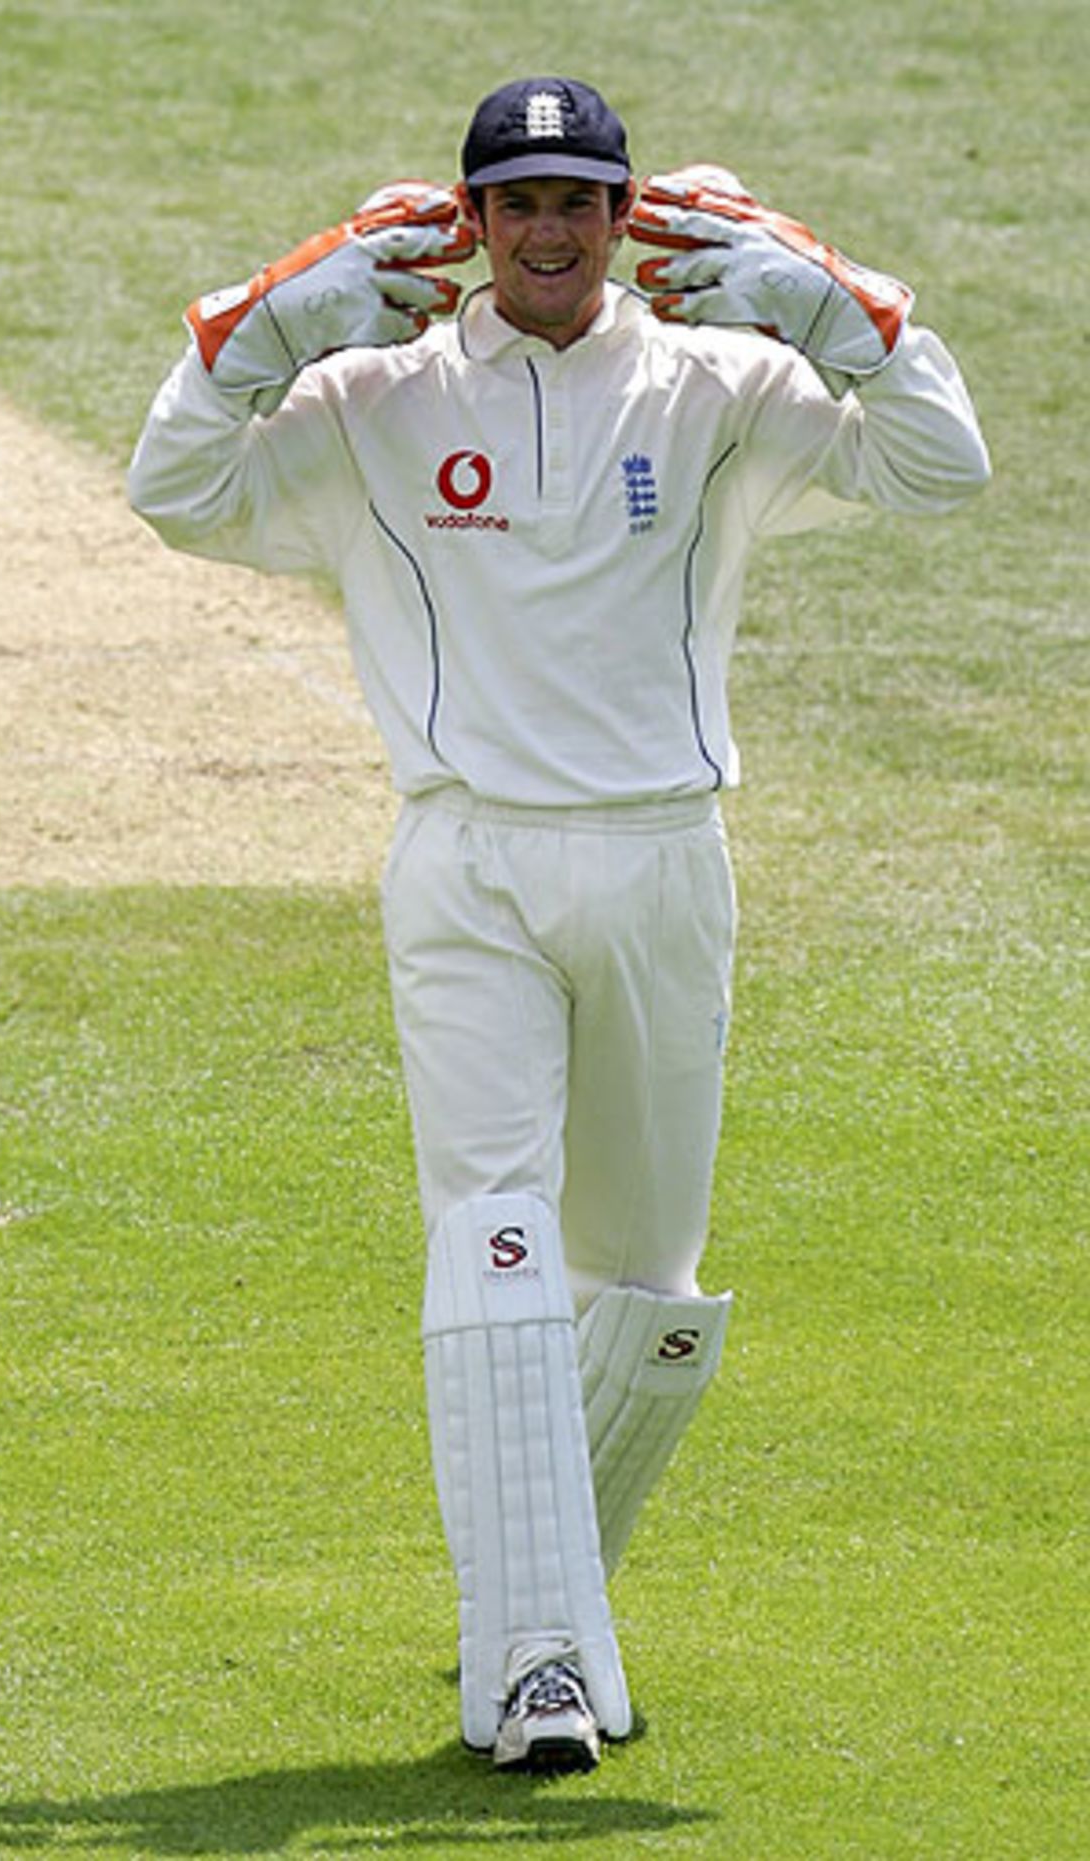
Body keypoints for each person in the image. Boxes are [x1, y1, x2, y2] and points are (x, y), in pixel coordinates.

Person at [127, 75, 990, 1773]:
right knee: (497, 1231)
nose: (544, 233)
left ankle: (537, 1605)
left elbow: (941, 468)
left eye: (575, 202)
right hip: (471, 870)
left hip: (668, 859)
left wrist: (828, 293)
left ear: (620, 215)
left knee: (650, 1295)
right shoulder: (375, 397)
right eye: (512, 203)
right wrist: (267, 319)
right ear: (467, 222)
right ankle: (533, 1664)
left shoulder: (721, 385)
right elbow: (176, 486)